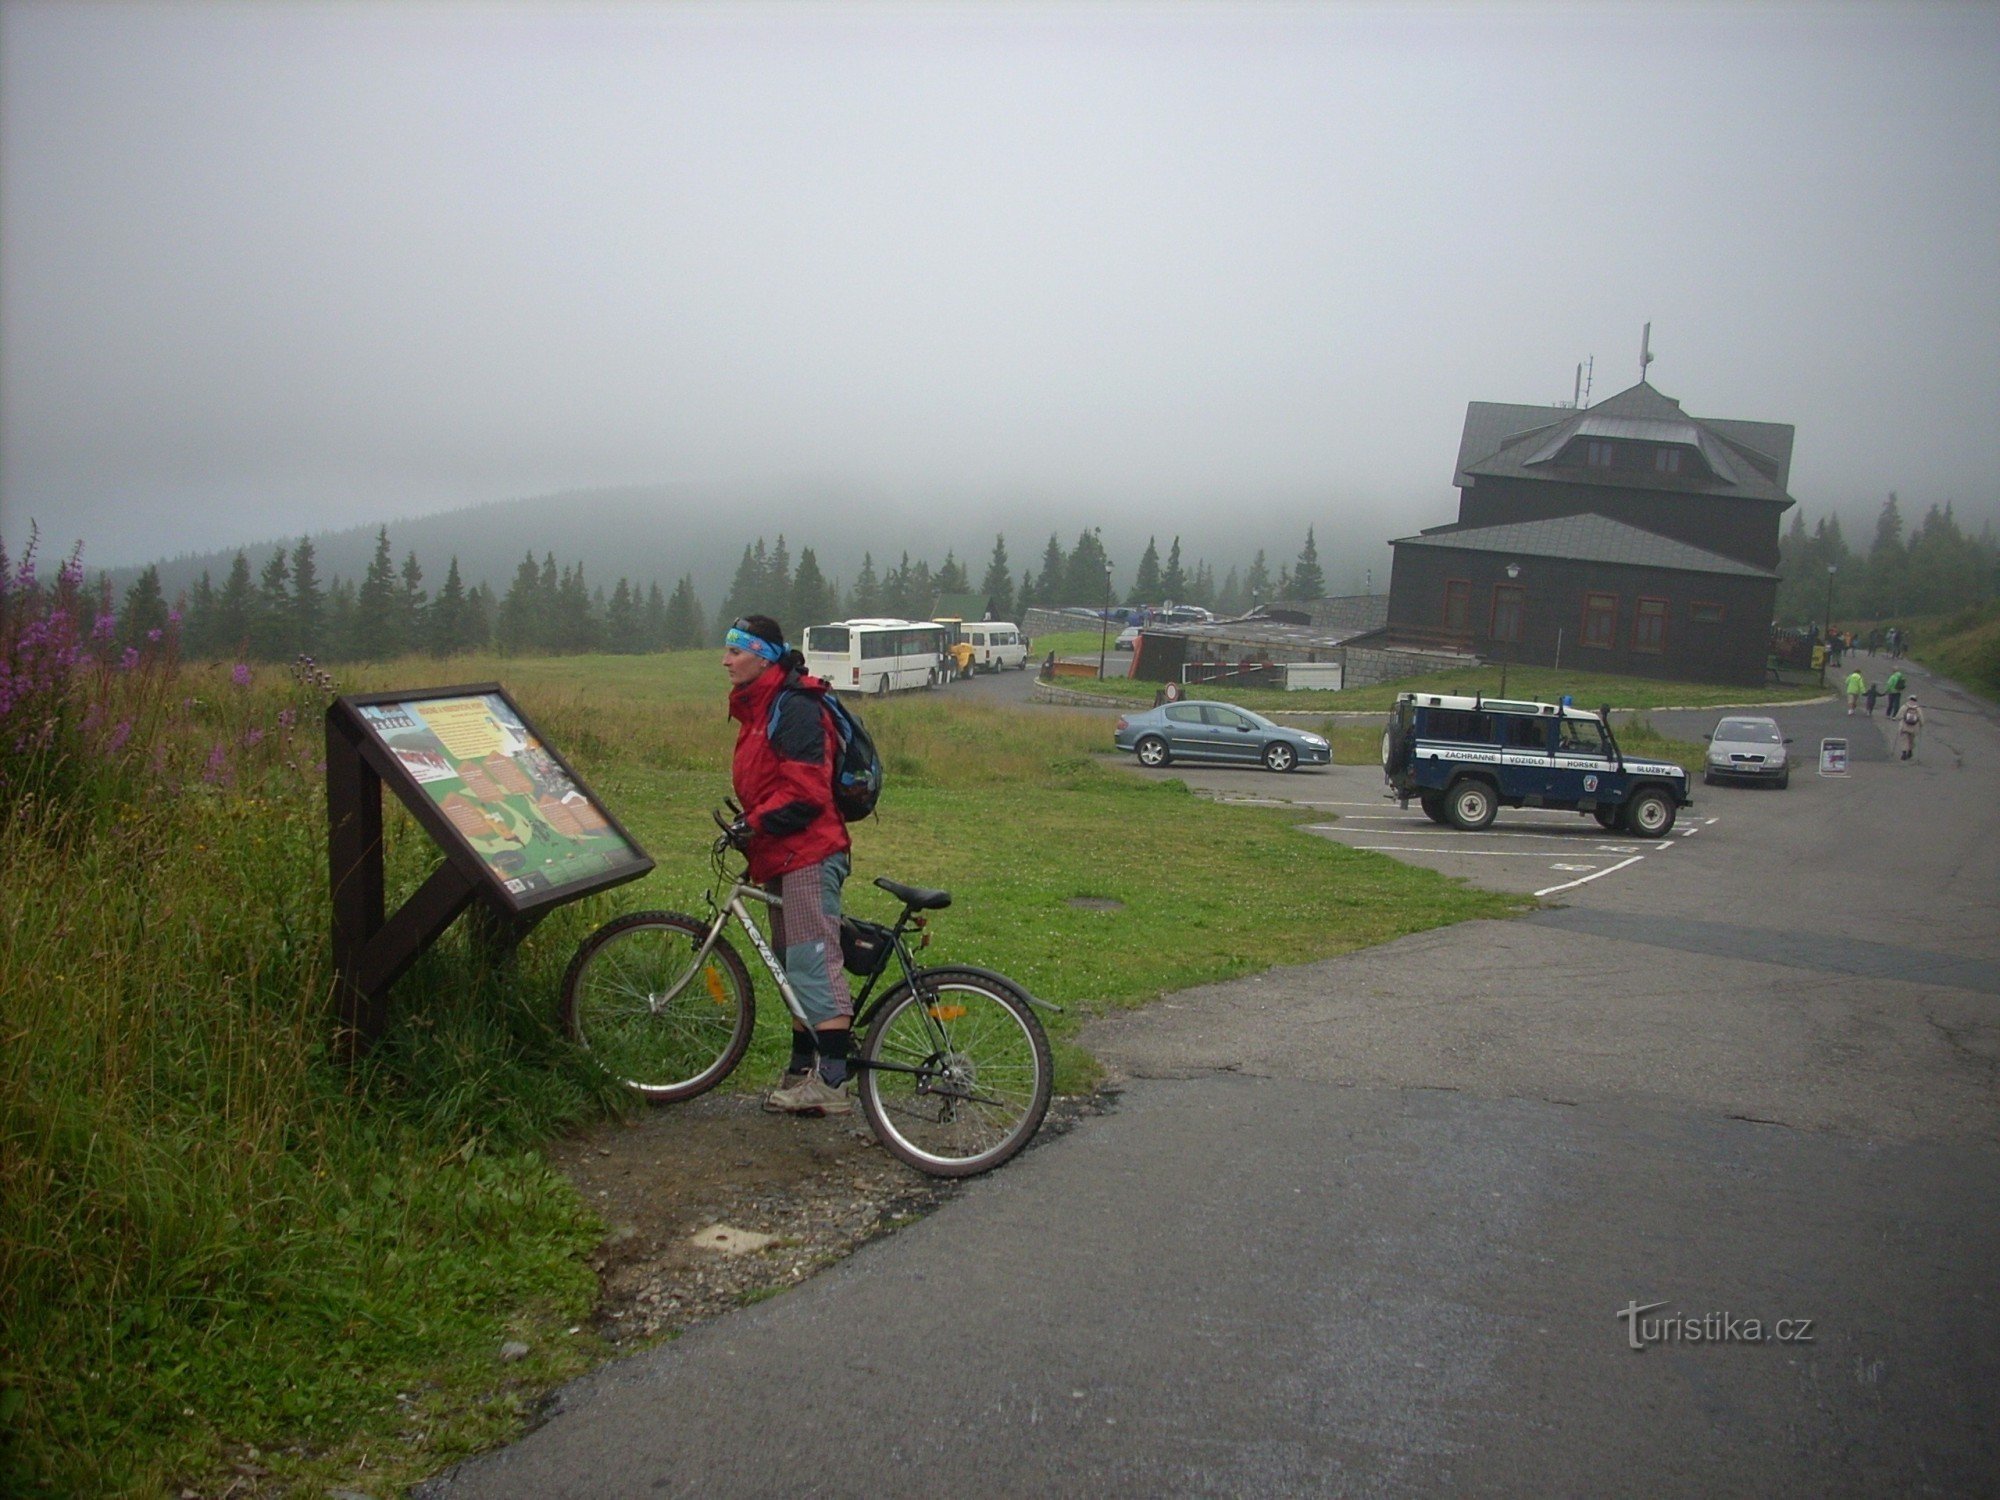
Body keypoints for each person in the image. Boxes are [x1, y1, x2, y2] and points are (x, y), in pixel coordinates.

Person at [722, 614, 855, 1116]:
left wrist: (753, 824)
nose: (726, 660)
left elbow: (806, 795)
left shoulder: (793, 707)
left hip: (808, 853)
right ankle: (802, 1069)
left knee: (813, 961)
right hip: (783, 852)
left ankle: (833, 1083)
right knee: (795, 966)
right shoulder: (763, 705)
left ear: (763, 655)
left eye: (736, 651)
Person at [1896, 696, 1925, 760]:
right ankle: (1910, 751)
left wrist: (1896, 718)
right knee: (1911, 740)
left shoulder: (1904, 707)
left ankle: (1904, 753)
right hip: (1914, 728)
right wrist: (1922, 724)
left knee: (1904, 740)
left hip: (1904, 726)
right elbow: (1921, 718)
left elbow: (1898, 715)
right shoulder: (1918, 708)